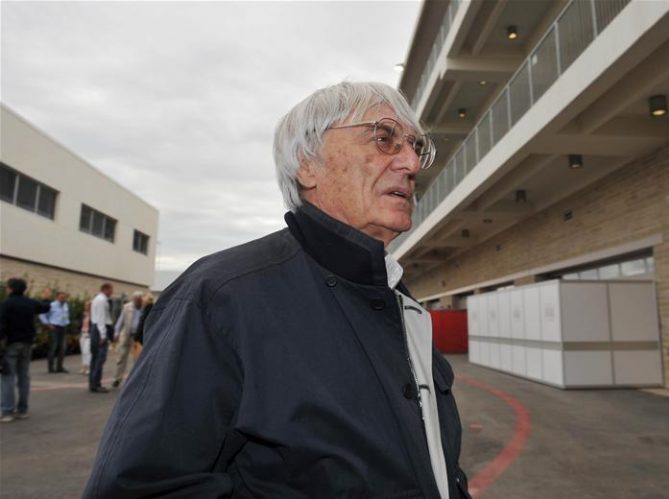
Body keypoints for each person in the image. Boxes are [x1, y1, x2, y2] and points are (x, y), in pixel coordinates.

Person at [84, 82, 469, 498]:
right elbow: (139, 488)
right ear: (307, 164)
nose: (411, 162)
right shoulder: (221, 298)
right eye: (384, 138)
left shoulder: (400, 302)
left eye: (415, 146)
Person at [0, 279, 51, 422]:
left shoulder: (6, 304)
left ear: (11, 289)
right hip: (27, 343)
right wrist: (46, 298)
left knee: (7, 377)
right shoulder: (30, 302)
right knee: (23, 376)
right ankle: (22, 410)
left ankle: (7, 411)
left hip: (11, 343)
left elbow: (1, 326)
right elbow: (45, 308)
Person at [111, 292, 142, 388]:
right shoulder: (127, 307)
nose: (138, 302)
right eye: (137, 300)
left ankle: (135, 380)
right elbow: (120, 321)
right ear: (134, 299)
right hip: (126, 336)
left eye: (140, 300)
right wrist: (116, 333)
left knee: (137, 359)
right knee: (121, 358)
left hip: (137, 337)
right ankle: (117, 379)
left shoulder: (144, 307)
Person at [88, 283, 113, 393]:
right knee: (100, 358)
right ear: (105, 289)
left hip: (95, 328)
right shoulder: (102, 300)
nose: (111, 292)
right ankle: (96, 383)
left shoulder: (96, 299)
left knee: (94, 358)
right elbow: (101, 318)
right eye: (111, 290)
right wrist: (103, 334)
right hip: (100, 330)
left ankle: (92, 383)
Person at [39, 291, 71, 374]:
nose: (63, 299)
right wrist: (48, 324)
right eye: (61, 297)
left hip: (63, 327)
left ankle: (59, 367)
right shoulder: (52, 305)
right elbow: (42, 314)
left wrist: (67, 322)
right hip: (54, 327)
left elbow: (66, 315)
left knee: (62, 348)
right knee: (53, 347)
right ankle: (51, 368)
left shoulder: (65, 305)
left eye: (64, 297)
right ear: (57, 297)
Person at [131, 293, 153, 361]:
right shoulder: (153, 309)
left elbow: (141, 325)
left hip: (141, 339)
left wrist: (135, 338)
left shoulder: (146, 310)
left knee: (138, 359)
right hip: (149, 338)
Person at [79, 300, 92, 375]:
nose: (87, 307)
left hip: (89, 335)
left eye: (88, 305)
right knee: (83, 352)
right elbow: (80, 324)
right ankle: (84, 366)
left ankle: (89, 367)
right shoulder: (83, 314)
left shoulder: (93, 315)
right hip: (82, 334)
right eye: (86, 305)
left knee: (87, 351)